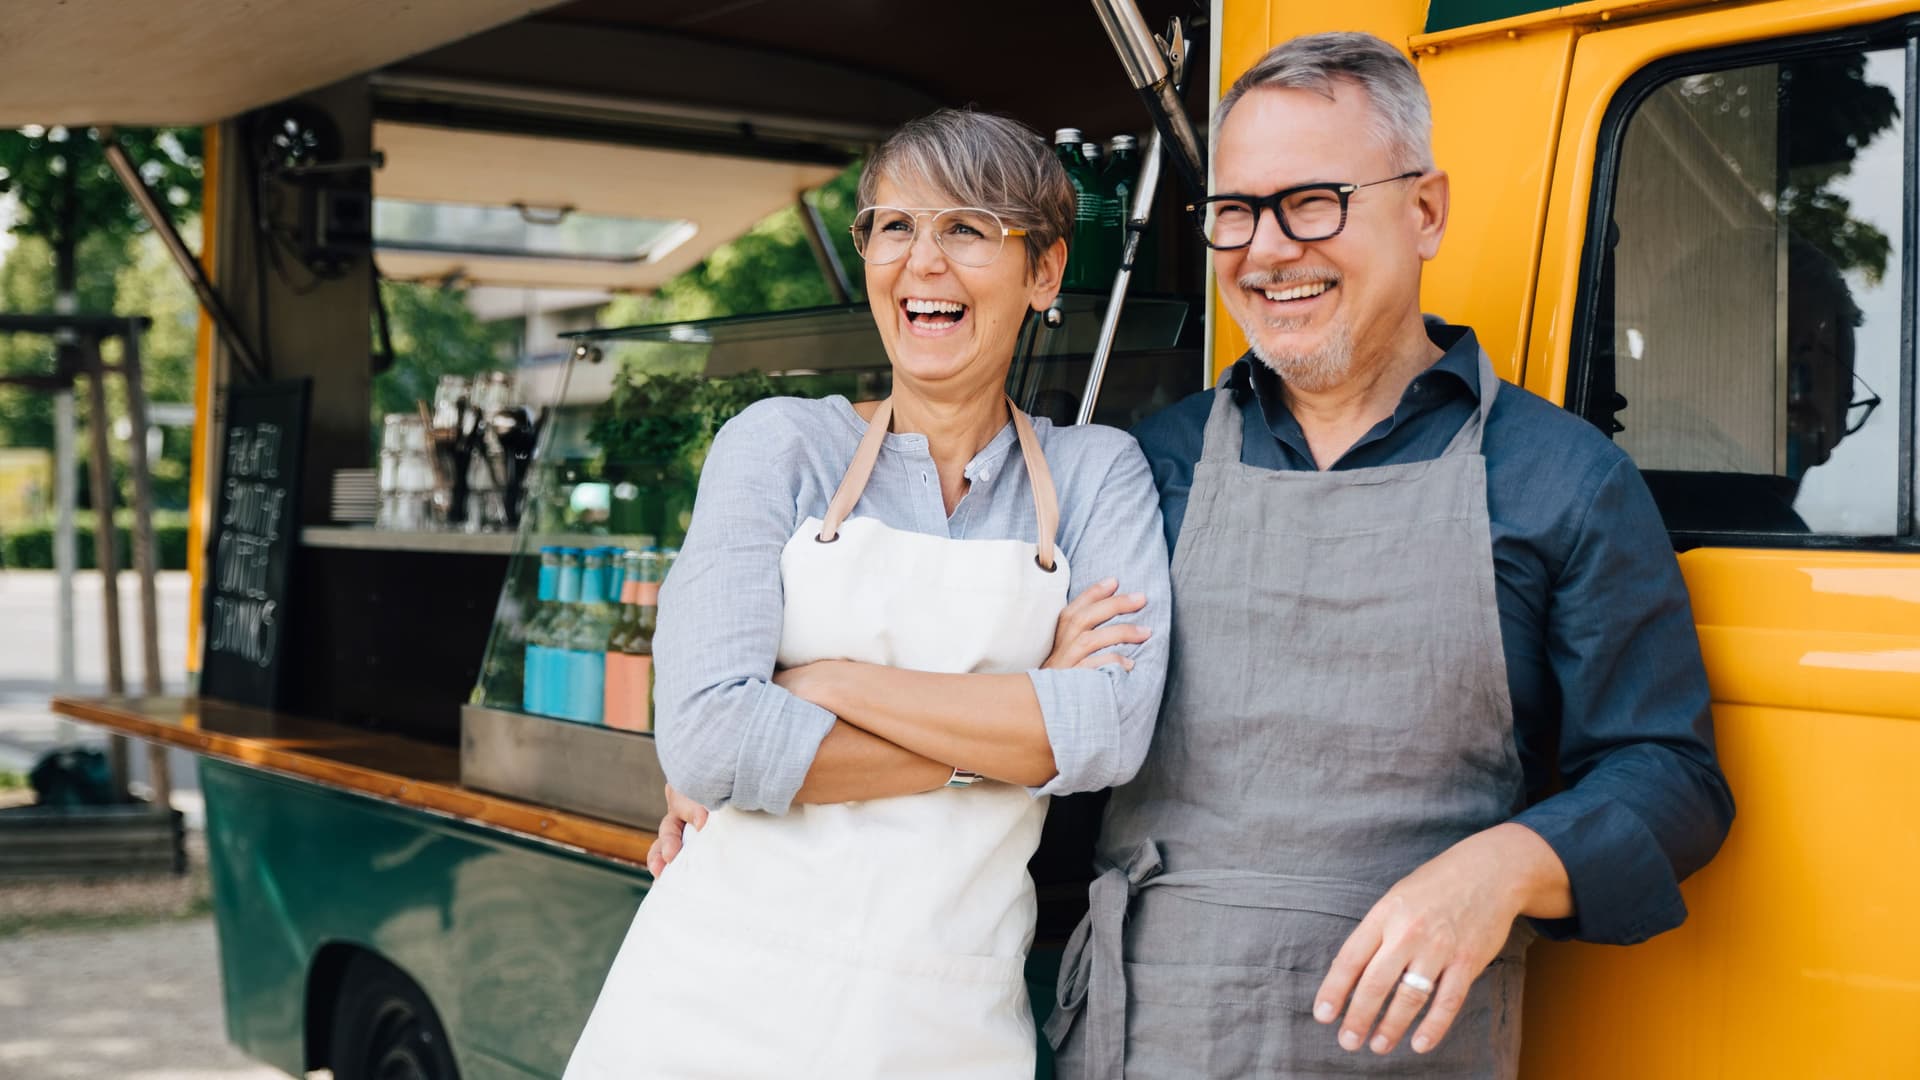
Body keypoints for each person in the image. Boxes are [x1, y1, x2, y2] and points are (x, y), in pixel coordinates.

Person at [1044, 32, 1735, 1077]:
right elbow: (1033, 736)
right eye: (1236, 211)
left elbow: (1669, 775)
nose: (1268, 250)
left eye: (1312, 202)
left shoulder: (1564, 478)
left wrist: (1504, 868)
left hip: (1412, 1051)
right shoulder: (1144, 466)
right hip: (1153, 1034)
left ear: (1425, 211)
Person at [562, 108, 1171, 1079]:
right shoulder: (779, 445)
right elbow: (710, 742)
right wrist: (1011, 736)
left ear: (1045, 271)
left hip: (947, 1013)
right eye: (896, 227)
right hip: (714, 996)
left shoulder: (1096, 474)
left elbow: (1105, 733)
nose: (923, 262)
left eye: (967, 228)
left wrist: (828, 683)